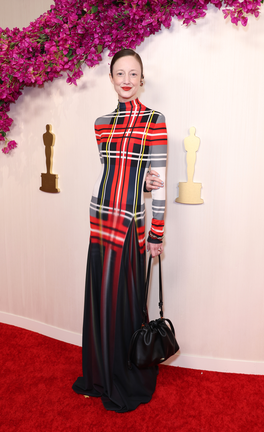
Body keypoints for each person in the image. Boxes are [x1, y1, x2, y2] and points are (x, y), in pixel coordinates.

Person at [72, 49, 168, 413]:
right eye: (119, 73)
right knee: (100, 300)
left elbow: (158, 183)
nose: (126, 80)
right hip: (99, 217)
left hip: (130, 222)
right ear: (111, 78)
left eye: (133, 73)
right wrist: (140, 182)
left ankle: (123, 379)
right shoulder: (101, 123)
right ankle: (99, 375)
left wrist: (156, 233)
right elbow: (113, 171)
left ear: (142, 79)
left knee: (123, 304)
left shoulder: (155, 120)